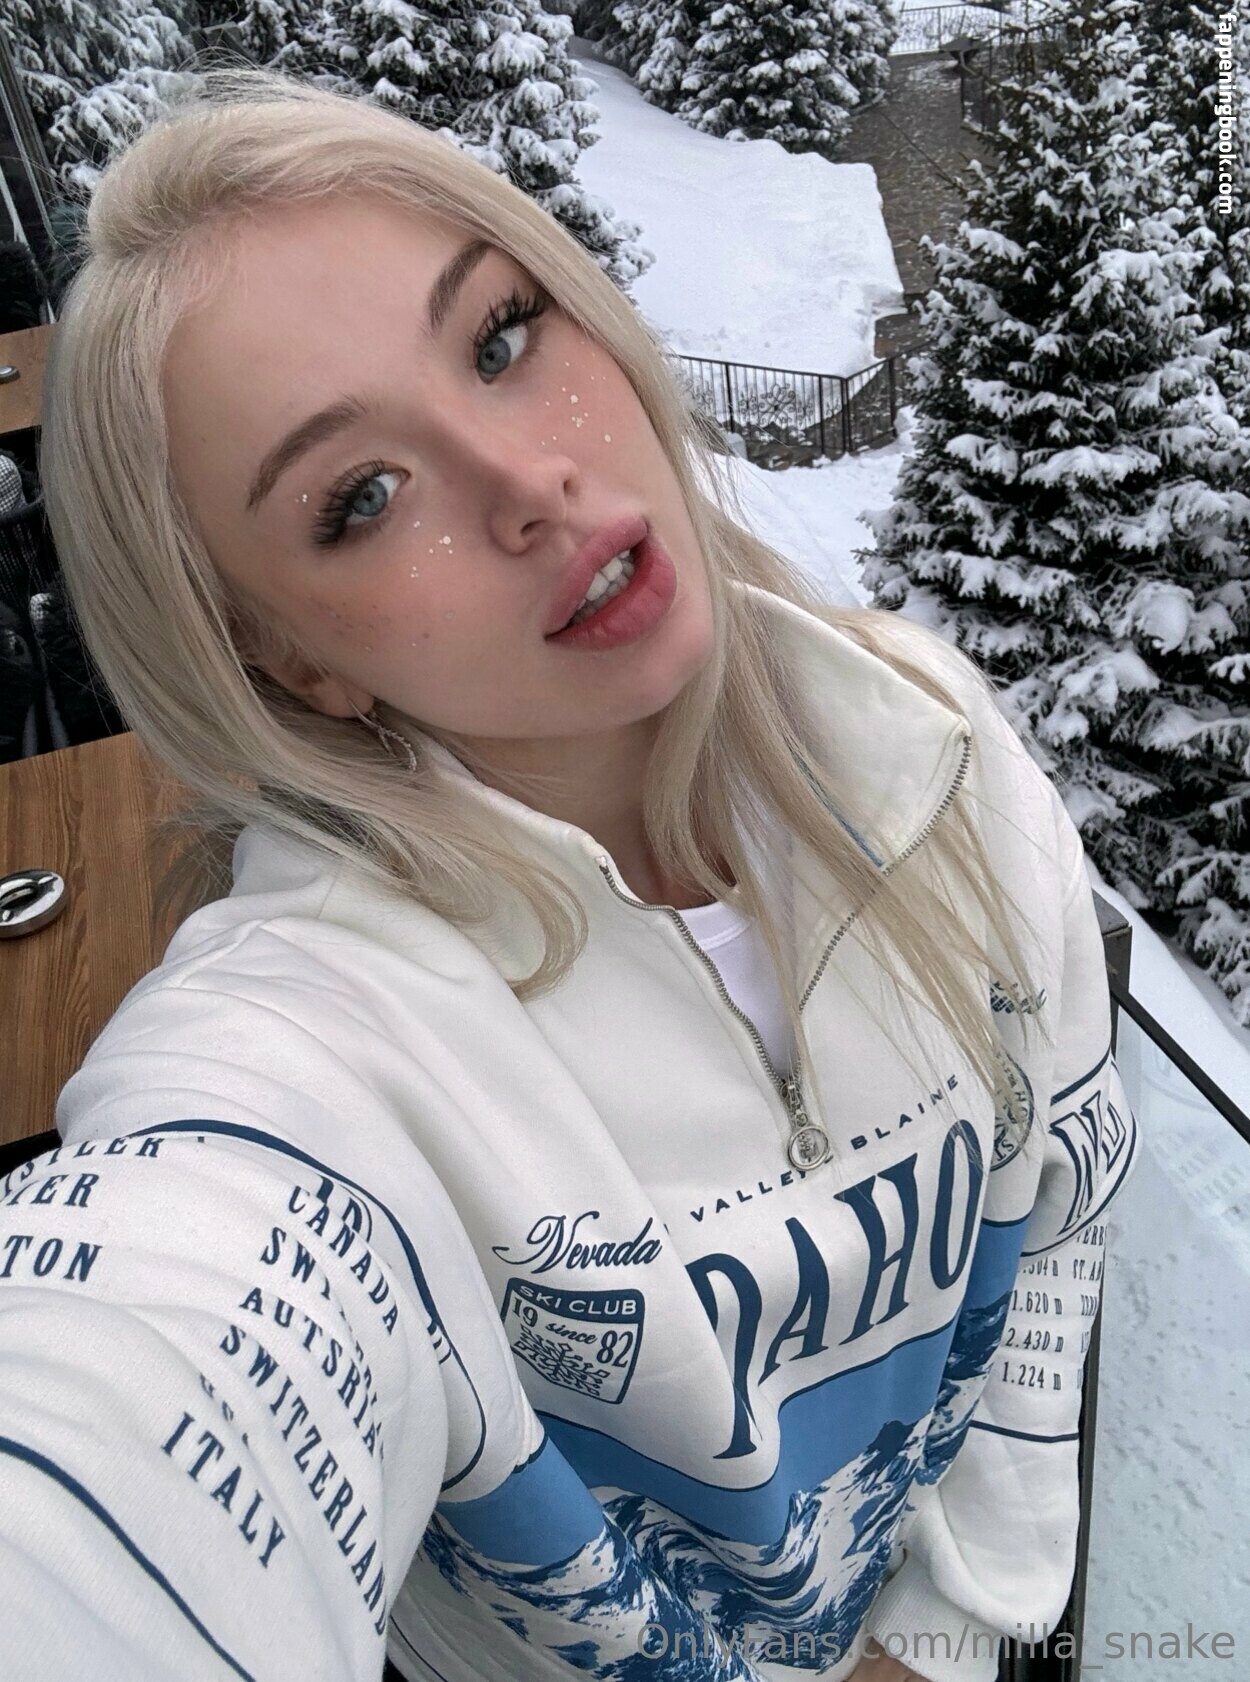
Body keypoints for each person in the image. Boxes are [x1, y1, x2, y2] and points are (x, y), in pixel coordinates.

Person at [0, 61, 1139, 1682]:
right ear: (286, 658)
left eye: (498, 337)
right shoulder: (313, 1050)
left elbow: (1061, 1208)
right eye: (360, 497)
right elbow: (123, 1418)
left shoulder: (930, 745)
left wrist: (952, 1630)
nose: (528, 484)